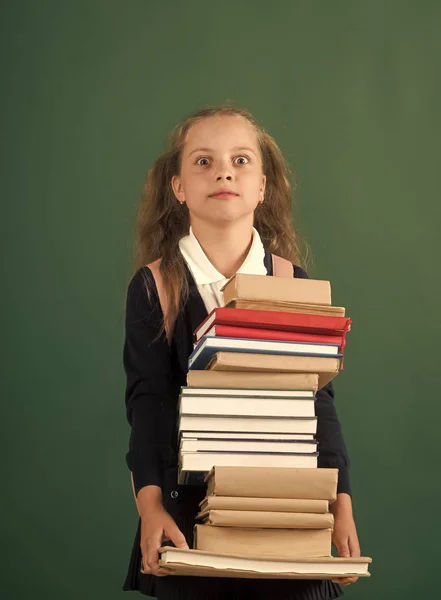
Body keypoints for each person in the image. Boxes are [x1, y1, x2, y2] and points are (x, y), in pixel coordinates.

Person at [122, 105, 361, 599]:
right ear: (178, 187)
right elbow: (149, 403)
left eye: (241, 160)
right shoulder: (155, 286)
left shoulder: (293, 283)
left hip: (290, 513)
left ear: (263, 187)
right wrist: (150, 508)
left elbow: (318, 403)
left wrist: (341, 505)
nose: (224, 171)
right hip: (189, 517)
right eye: (203, 161)